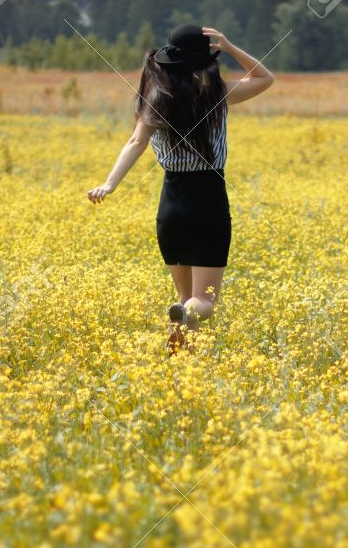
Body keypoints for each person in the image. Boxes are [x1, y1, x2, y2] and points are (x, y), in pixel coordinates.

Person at [87, 24, 275, 351]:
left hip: (171, 208)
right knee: (203, 303)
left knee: (185, 298)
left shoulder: (156, 101)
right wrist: (229, 47)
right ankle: (186, 319)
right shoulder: (218, 94)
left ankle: (179, 363)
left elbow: (135, 142)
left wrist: (109, 184)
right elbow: (264, 78)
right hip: (209, 205)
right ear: (204, 62)